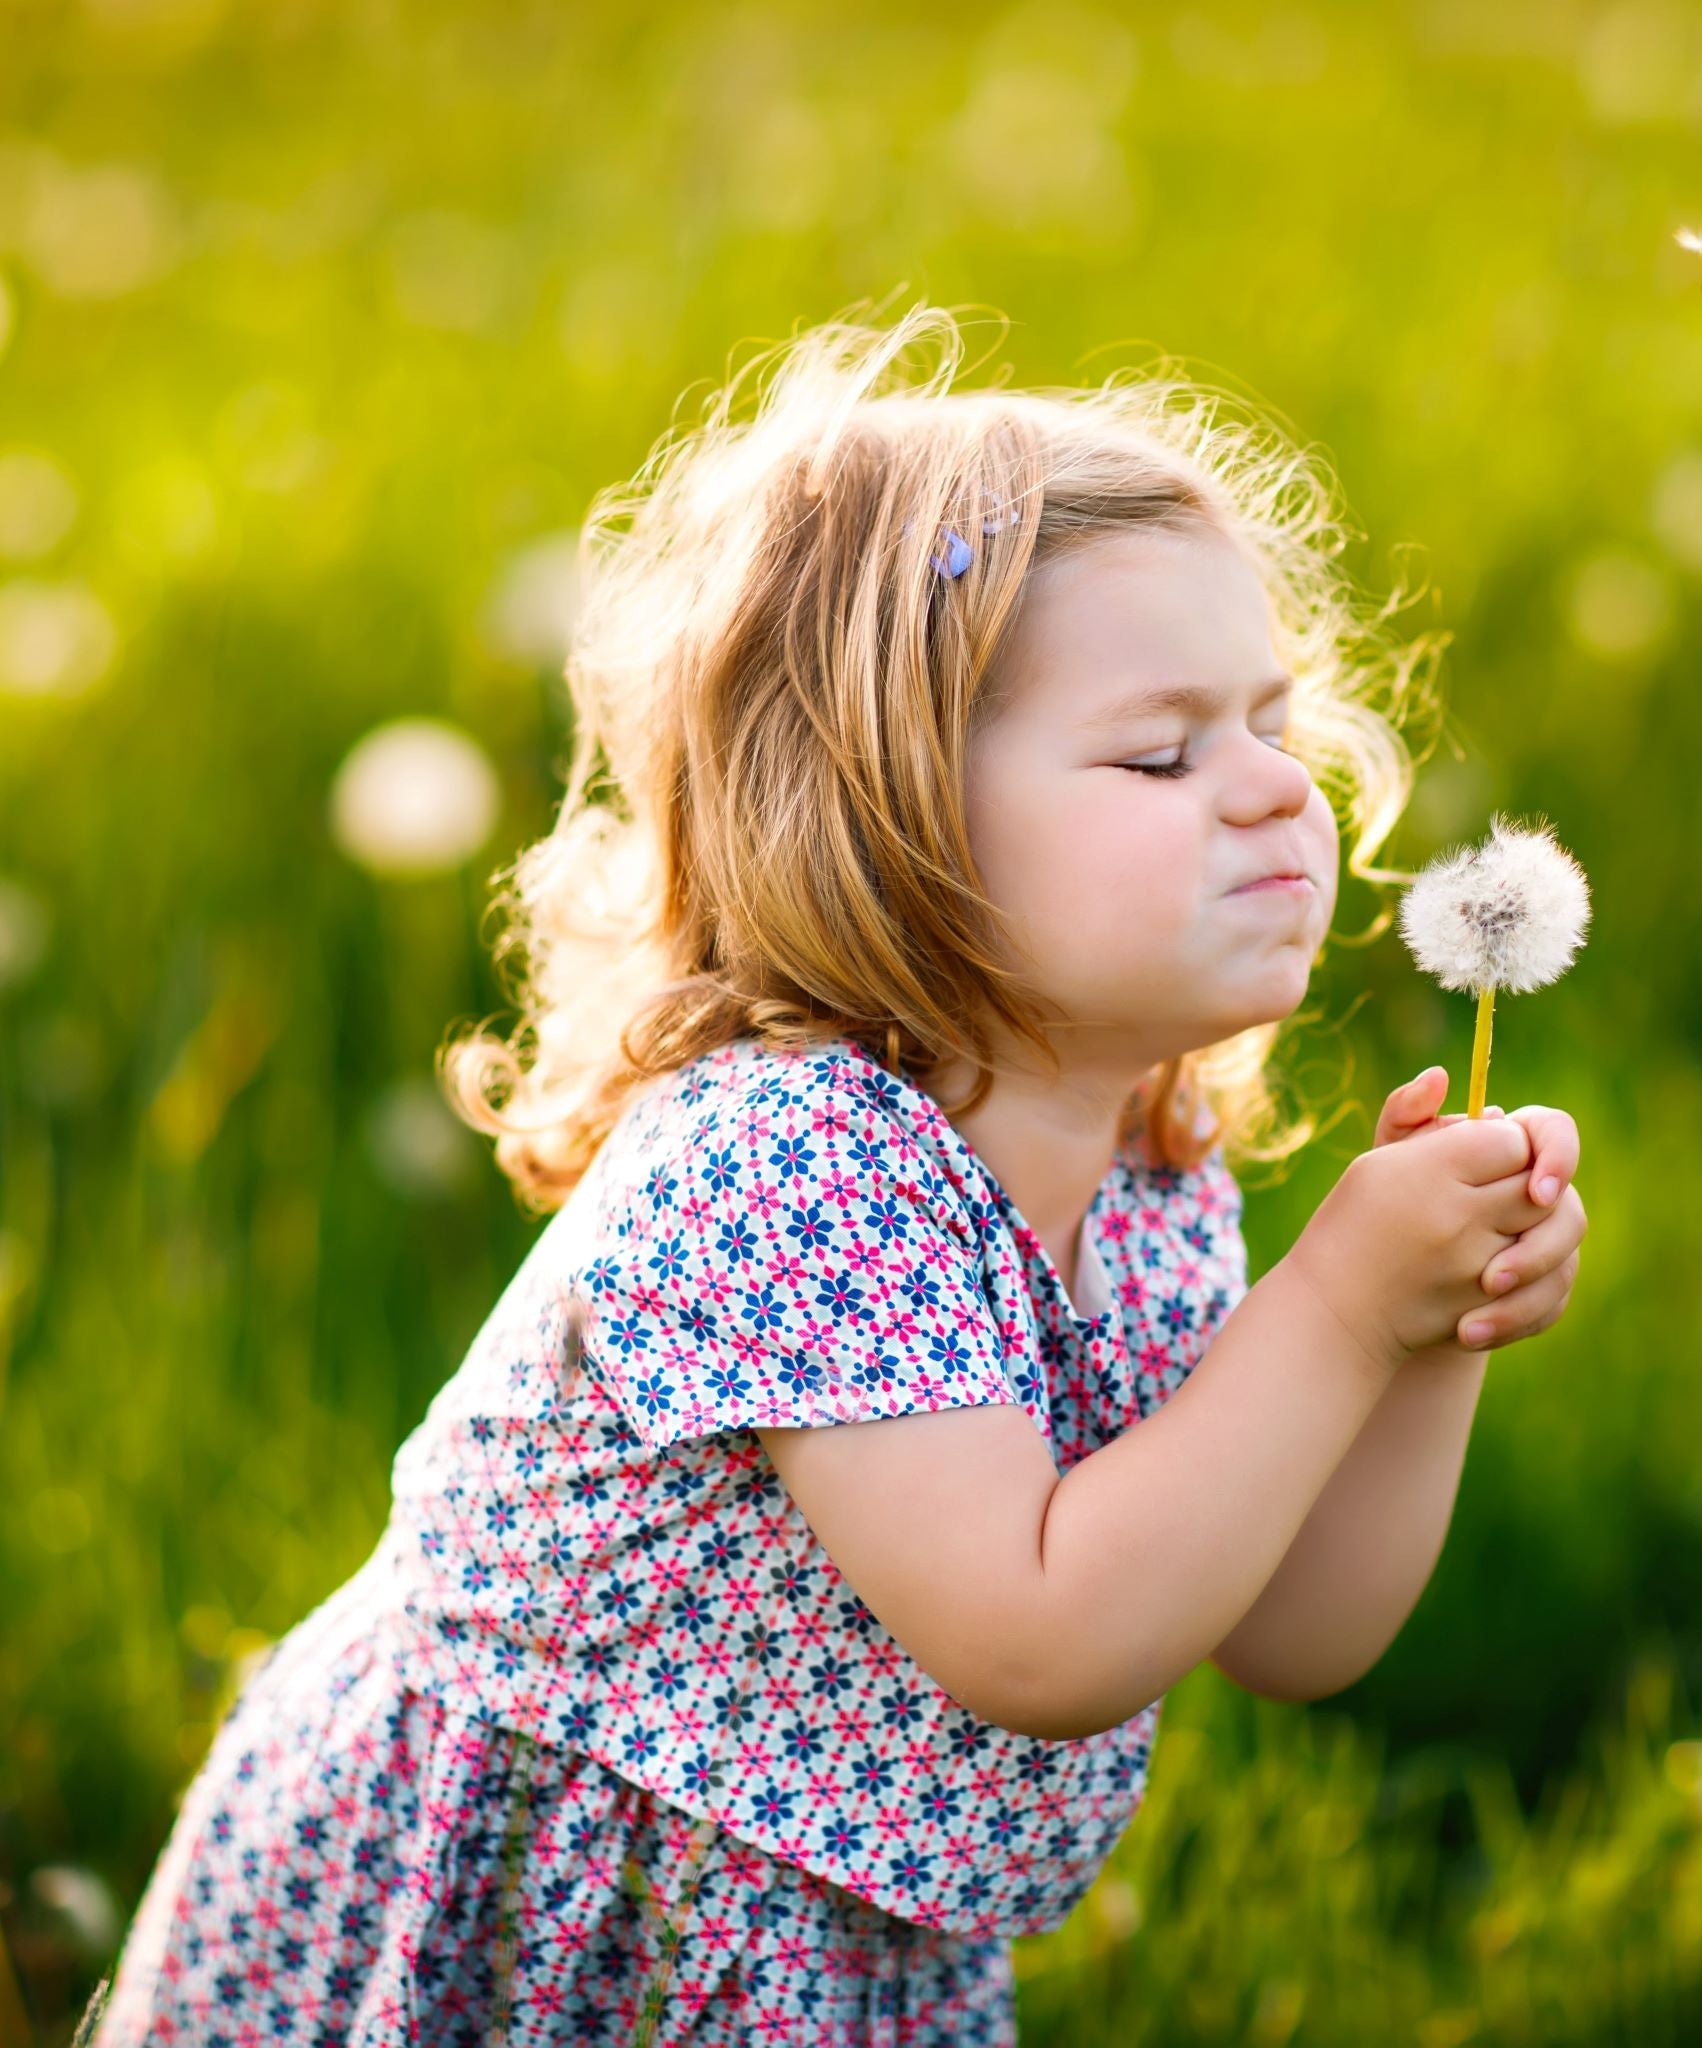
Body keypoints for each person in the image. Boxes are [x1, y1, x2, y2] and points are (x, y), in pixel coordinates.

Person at [90, 300, 1587, 2046]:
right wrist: (1333, 1310)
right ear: (883, 823)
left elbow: (1292, 1629)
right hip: (541, 1924)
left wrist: (1419, 1343)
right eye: (1165, 752)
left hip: (808, 1941)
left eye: (1275, 723)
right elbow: (1038, 1639)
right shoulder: (786, 1161)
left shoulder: (1151, 1167)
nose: (1278, 791)